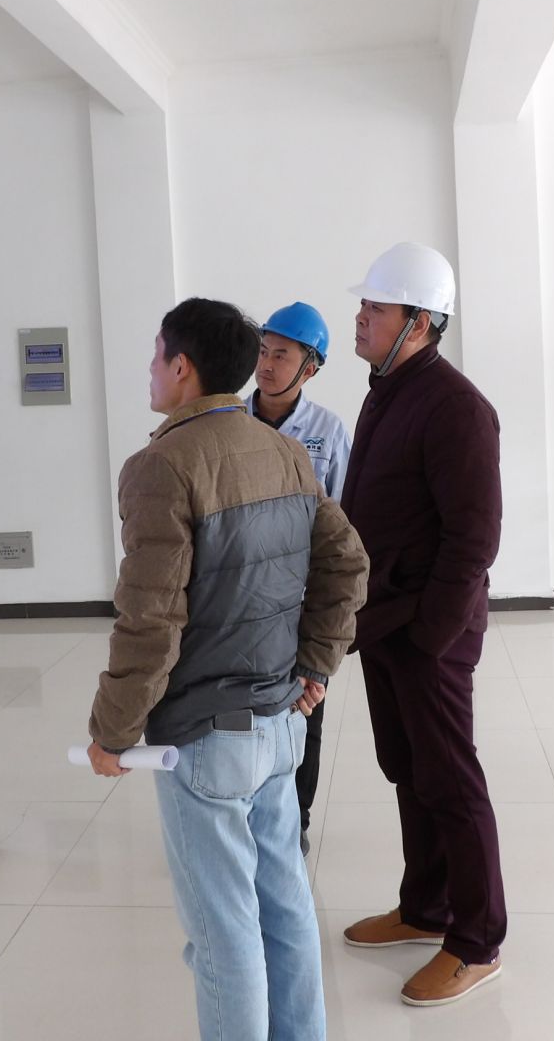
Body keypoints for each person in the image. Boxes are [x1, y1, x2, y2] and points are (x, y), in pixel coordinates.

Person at [82, 297, 369, 1041]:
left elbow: (151, 620)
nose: (151, 370)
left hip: (206, 741)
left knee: (224, 933)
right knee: (286, 908)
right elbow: (349, 564)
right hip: (279, 728)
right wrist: (315, 664)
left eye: (156, 356)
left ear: (182, 367)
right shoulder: (286, 453)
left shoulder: (160, 466)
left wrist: (112, 732)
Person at [337, 242, 506, 1008]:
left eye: (375, 308)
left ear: (421, 321)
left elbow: (474, 537)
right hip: (386, 621)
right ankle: (424, 907)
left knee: (449, 779)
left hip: (428, 630)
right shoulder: (388, 390)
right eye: (364, 305)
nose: (361, 318)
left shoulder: (456, 407)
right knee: (407, 769)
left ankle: (476, 941)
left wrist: (431, 636)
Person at [249, 301, 353, 856]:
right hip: (243, 597)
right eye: (263, 352)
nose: (266, 365)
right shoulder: (231, 423)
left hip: (303, 600)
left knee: (304, 707)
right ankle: (245, 809)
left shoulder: (327, 432)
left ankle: (297, 818)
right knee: (243, 710)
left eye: (281, 356)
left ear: (310, 367)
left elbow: (344, 524)